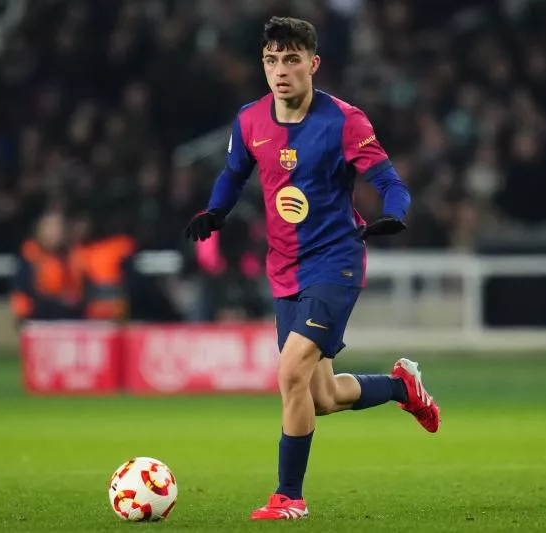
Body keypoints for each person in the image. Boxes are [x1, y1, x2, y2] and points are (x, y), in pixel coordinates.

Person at [184, 16, 440, 521]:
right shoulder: (250, 120)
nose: (281, 71)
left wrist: (395, 214)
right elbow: (233, 174)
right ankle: (400, 386)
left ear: (313, 64)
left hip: (336, 262)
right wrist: (215, 210)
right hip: (285, 269)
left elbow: (391, 181)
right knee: (319, 395)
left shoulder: (345, 121)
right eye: (272, 61)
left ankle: (289, 496)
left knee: (289, 373)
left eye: (292, 60)